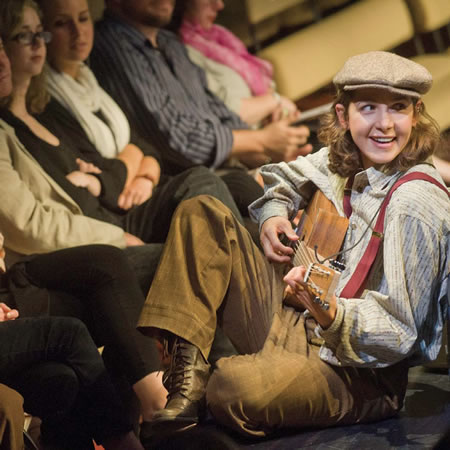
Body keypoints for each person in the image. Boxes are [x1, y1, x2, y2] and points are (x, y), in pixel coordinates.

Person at [136, 51, 449, 437]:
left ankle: (217, 386)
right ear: (342, 116)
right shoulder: (344, 159)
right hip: (291, 319)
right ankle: (184, 386)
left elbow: (400, 332)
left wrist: (333, 312)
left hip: (357, 373)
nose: (383, 125)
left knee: (231, 388)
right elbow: (279, 177)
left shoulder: (415, 203)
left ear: (415, 114)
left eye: (397, 109)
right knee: (201, 211)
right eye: (368, 108)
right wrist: (273, 216)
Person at [90, 0, 312, 179]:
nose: (220, 5)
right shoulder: (110, 45)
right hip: (189, 180)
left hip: (228, 167)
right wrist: (263, 141)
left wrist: (269, 154)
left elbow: (217, 110)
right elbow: (180, 139)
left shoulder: (170, 43)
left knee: (316, 156)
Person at [168, 0, 298, 127]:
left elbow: (260, 81)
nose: (219, 5)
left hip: (271, 129)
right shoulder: (183, 55)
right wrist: (275, 101)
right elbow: (228, 114)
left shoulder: (218, 35)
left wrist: (277, 107)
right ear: (181, 3)